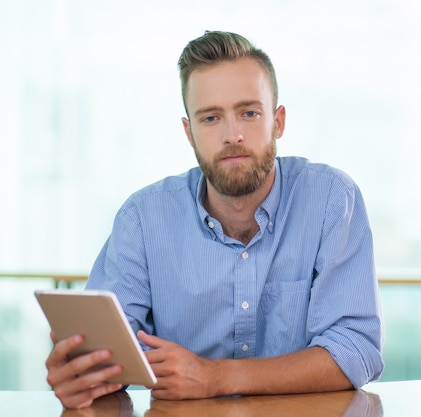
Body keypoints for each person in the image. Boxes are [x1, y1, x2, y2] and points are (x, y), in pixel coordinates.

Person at [45, 30, 384, 409]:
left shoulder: (332, 201)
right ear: (189, 132)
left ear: (279, 122)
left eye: (249, 113)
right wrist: (83, 371)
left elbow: (355, 350)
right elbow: (106, 348)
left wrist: (215, 376)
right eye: (210, 118)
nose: (232, 135)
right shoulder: (143, 219)